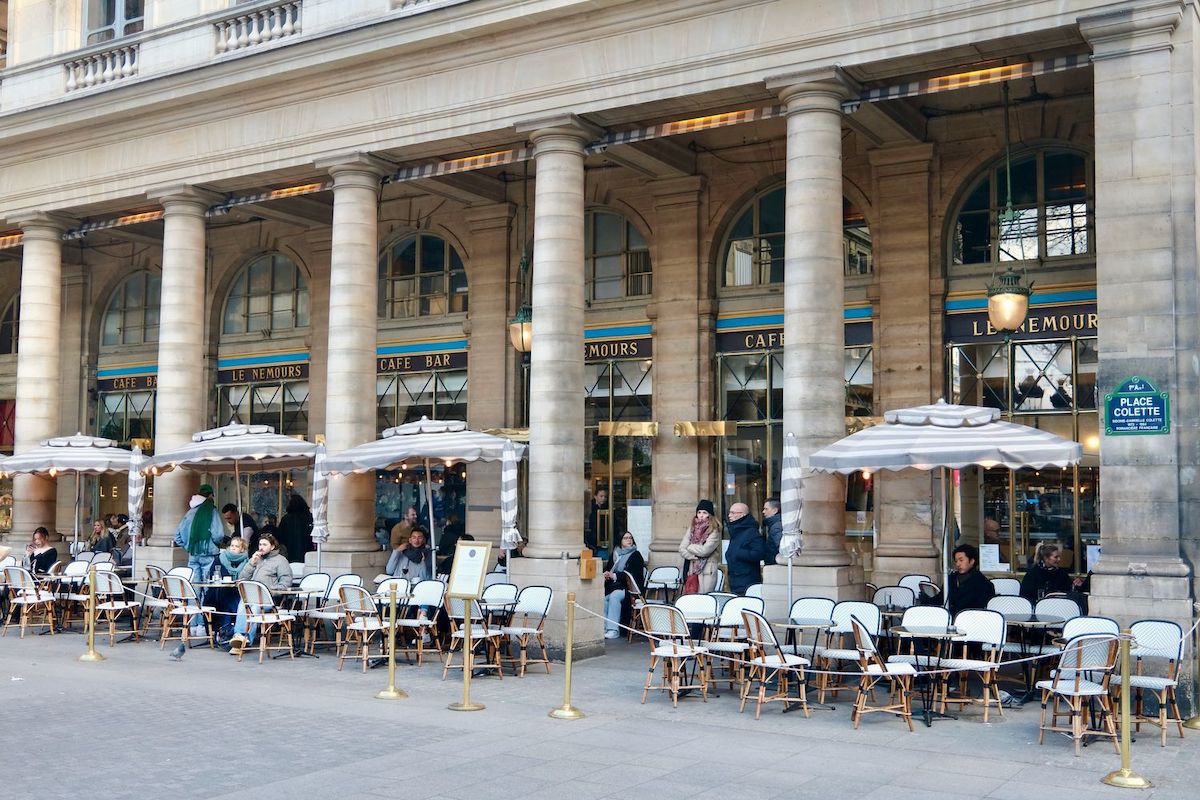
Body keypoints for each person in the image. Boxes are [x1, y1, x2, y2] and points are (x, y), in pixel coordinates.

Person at [228, 533, 293, 652]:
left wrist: (270, 591)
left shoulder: (281, 561)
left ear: (272, 547)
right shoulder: (256, 559)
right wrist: (252, 563)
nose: (261, 547)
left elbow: (286, 582)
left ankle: (245, 638)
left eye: (264, 544)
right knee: (243, 603)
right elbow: (242, 578)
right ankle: (239, 636)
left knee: (254, 607)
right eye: (260, 544)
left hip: (269, 599)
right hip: (252, 597)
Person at [173, 484, 225, 584]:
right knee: (208, 585)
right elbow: (218, 535)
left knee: (194, 585)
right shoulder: (212, 511)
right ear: (210, 495)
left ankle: (194, 600)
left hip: (193, 554)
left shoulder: (189, 512)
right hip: (209, 553)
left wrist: (188, 546)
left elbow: (177, 536)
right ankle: (206, 600)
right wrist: (215, 544)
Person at [602, 531, 645, 639]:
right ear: (620, 540)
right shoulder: (615, 554)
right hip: (615, 586)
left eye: (630, 538)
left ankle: (613, 630)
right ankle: (604, 627)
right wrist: (607, 574)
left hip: (630, 588)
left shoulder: (636, 555)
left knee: (614, 596)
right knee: (604, 598)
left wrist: (615, 576)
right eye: (625, 538)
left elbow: (633, 574)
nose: (629, 540)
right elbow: (609, 568)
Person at [724, 502, 771, 595]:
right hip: (735, 578)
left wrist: (738, 553)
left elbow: (759, 553)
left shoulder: (751, 531)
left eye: (733, 513)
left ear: (742, 515)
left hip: (747, 579)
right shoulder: (736, 530)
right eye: (730, 512)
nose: (729, 515)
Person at [677, 500, 720, 594]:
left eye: (704, 513)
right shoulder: (692, 528)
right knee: (691, 598)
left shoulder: (714, 530)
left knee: (704, 598)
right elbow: (681, 548)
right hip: (692, 569)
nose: (701, 515)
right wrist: (694, 556)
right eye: (699, 512)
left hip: (707, 570)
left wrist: (690, 546)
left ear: (710, 515)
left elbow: (705, 551)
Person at [947, 543, 995, 616]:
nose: (958, 564)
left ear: (972, 561)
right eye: (956, 561)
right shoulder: (951, 578)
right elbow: (940, 599)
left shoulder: (983, 584)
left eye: (961, 560)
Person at [276, 494, 314, 564]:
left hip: (290, 551)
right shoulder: (310, 517)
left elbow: (280, 536)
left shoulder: (286, 519)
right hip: (308, 550)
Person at [585, 488, 609, 552]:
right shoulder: (589, 506)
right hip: (591, 535)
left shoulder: (608, 506)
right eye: (601, 496)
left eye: (605, 497)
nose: (603, 498)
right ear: (595, 496)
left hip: (604, 535)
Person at [762, 497, 782, 562]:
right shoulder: (775, 525)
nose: (763, 512)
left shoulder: (776, 527)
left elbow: (781, 548)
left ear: (775, 510)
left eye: (766, 509)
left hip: (775, 565)